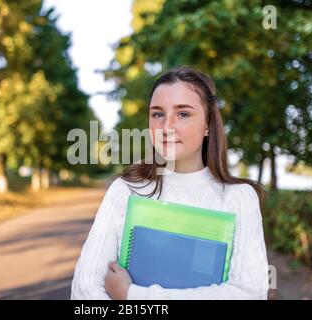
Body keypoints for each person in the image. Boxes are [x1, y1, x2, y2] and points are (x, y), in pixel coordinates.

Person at [71, 66, 269, 300]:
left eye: (183, 114)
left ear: (207, 125)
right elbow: (85, 290)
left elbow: (249, 293)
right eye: (157, 114)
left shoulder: (239, 198)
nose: (166, 127)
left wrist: (132, 294)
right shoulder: (125, 191)